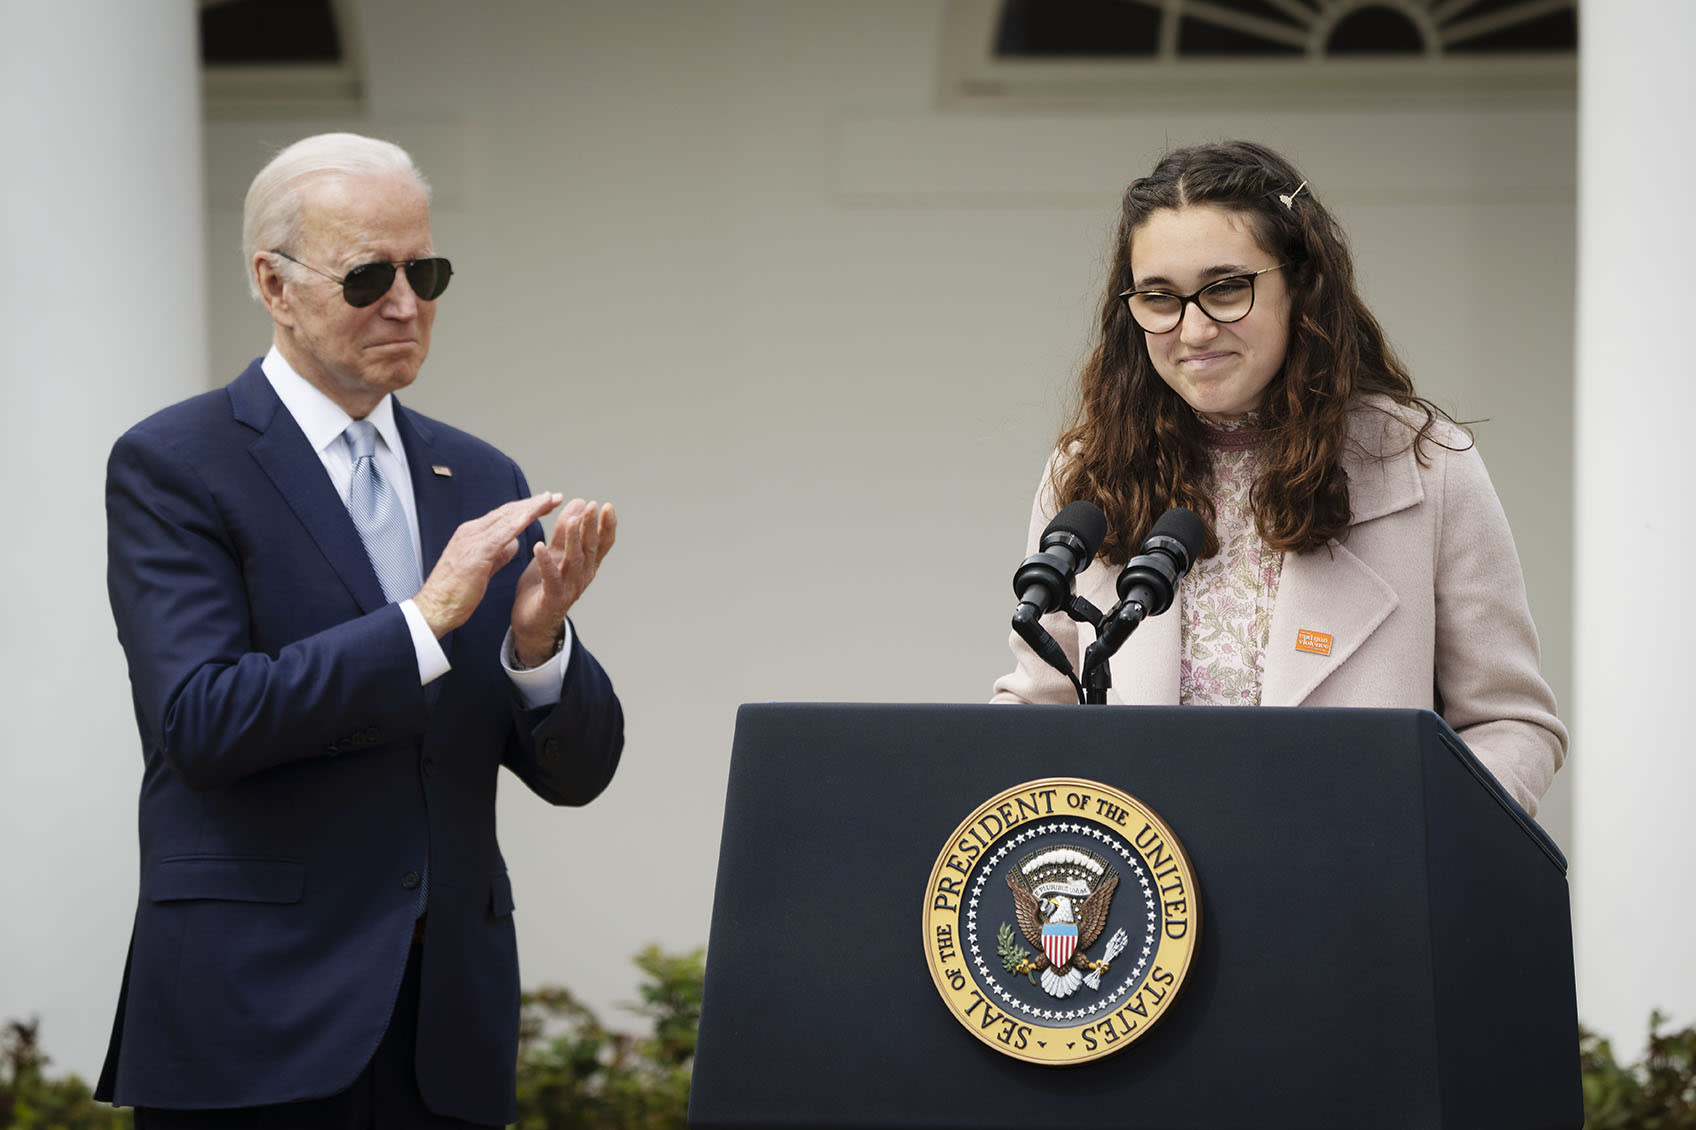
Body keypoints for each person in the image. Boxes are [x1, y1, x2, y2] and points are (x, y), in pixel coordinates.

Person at [95, 132, 624, 1128]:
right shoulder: (177, 463)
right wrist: (424, 621)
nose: (405, 302)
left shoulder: (479, 478)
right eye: (368, 274)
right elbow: (199, 721)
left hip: (443, 1029)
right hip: (257, 1017)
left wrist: (538, 646)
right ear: (274, 283)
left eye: (425, 271)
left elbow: (577, 773)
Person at [991, 140, 1565, 816]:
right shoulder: (1088, 472)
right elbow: (1040, 707)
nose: (1193, 328)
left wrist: (1417, 841)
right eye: (1159, 297)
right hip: (1145, 903)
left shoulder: (1427, 465)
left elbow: (1511, 724)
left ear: (1301, 286)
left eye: (1226, 288)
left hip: (1354, 899)